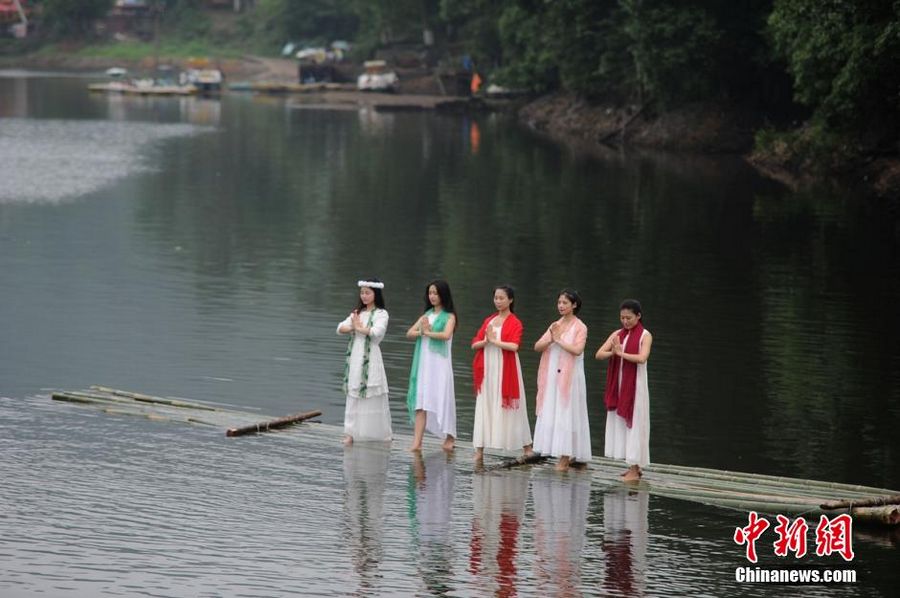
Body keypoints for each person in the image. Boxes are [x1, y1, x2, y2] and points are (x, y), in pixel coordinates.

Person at [471, 285, 533, 462]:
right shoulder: (489, 320)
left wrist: (494, 341)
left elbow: (514, 346)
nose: (498, 301)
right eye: (496, 298)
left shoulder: (515, 322)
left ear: (510, 300)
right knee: (485, 403)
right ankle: (479, 449)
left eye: (502, 298)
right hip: (488, 367)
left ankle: (527, 446)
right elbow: (475, 343)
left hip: (506, 367)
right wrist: (485, 341)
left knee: (514, 406)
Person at [532, 289, 591, 471]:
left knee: (568, 412)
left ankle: (566, 456)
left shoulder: (580, 327)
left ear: (574, 305)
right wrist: (552, 338)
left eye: (565, 303)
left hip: (571, 376)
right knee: (554, 411)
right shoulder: (554, 325)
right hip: (552, 375)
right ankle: (555, 450)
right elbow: (537, 346)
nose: (561, 306)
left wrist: (559, 340)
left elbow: (577, 350)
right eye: (559, 303)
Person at [595, 299, 653, 482]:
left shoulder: (645, 335)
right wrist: (613, 352)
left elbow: (642, 358)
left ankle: (635, 470)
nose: (625, 321)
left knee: (635, 423)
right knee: (622, 425)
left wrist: (621, 354)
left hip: (635, 386)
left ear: (638, 316)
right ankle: (631, 467)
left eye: (629, 318)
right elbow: (598, 354)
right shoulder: (617, 334)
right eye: (622, 318)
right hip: (619, 386)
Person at [337, 278, 392, 445]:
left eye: (368, 293)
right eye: (362, 293)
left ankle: (374, 433)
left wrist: (359, 328)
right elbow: (340, 328)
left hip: (371, 356)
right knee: (353, 392)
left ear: (376, 294)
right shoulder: (357, 314)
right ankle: (350, 433)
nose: (364, 296)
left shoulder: (382, 314)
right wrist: (354, 326)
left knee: (370, 392)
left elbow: (376, 332)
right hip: (355, 356)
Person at [405, 279, 458, 452]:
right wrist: (422, 331)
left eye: (436, 293)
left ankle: (450, 436)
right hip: (424, 364)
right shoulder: (425, 316)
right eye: (430, 293)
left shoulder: (450, 316)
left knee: (443, 397)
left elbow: (446, 335)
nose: (433, 296)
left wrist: (427, 332)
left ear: (443, 295)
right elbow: (409, 333)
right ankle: (417, 443)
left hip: (440, 365)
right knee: (421, 402)